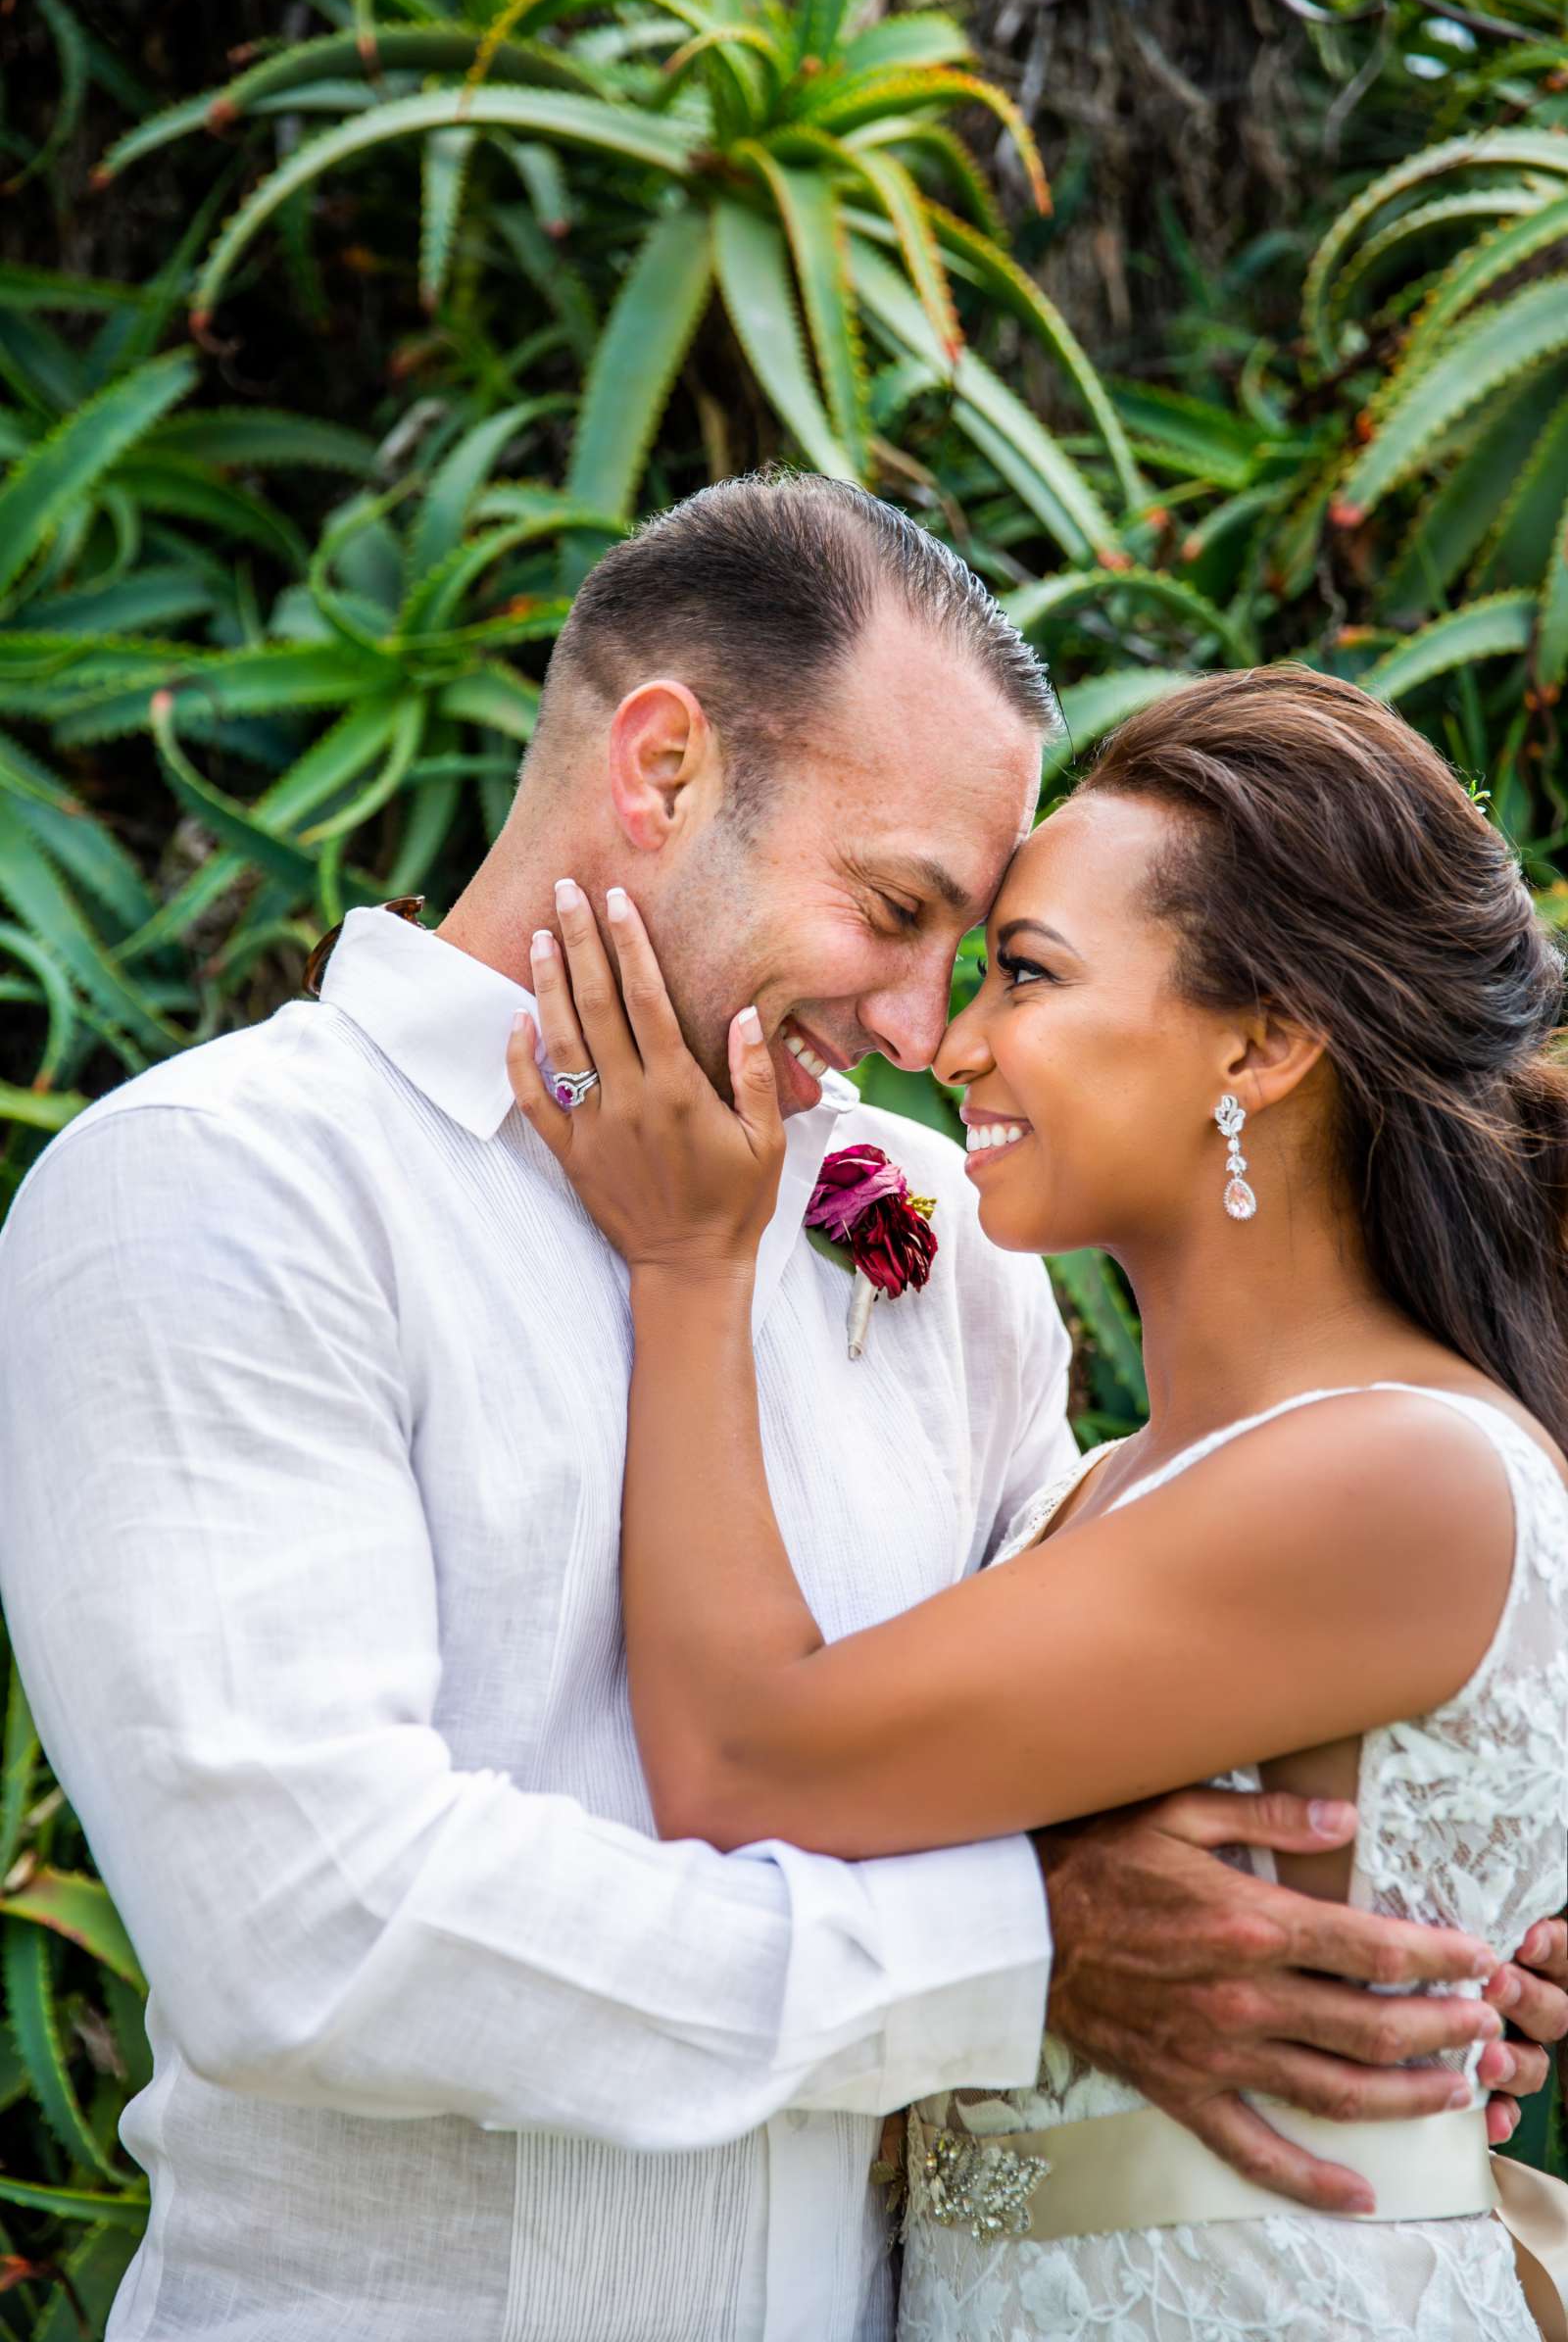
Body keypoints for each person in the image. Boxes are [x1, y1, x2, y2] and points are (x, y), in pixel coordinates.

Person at [0, 478, 1557, 2342]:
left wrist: (1422, 1942)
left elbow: (1079, 1732)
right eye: (897, 909)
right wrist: (1024, 1956)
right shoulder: (221, 1187)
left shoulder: (924, 1239)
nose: (923, 1025)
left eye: (987, 952)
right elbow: (310, 1929)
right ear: (660, 773)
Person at [507, 656, 1568, 2338]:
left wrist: (690, 1265)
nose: (953, 1043)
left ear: (1270, 1041)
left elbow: (741, 1765)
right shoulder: (1098, 1491)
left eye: (1027, 974)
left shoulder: (1399, 1474)